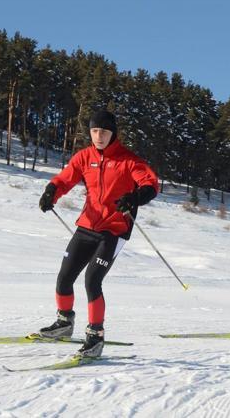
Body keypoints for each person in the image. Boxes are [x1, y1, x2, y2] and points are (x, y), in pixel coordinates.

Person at [37, 110, 159, 357]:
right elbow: (65, 178)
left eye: (103, 131)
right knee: (64, 277)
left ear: (113, 133)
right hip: (87, 226)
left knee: (92, 280)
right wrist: (51, 192)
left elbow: (151, 184)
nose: (99, 136)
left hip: (113, 231)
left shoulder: (128, 160)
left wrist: (135, 198)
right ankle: (64, 323)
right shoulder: (85, 157)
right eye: (94, 131)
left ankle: (95, 337)